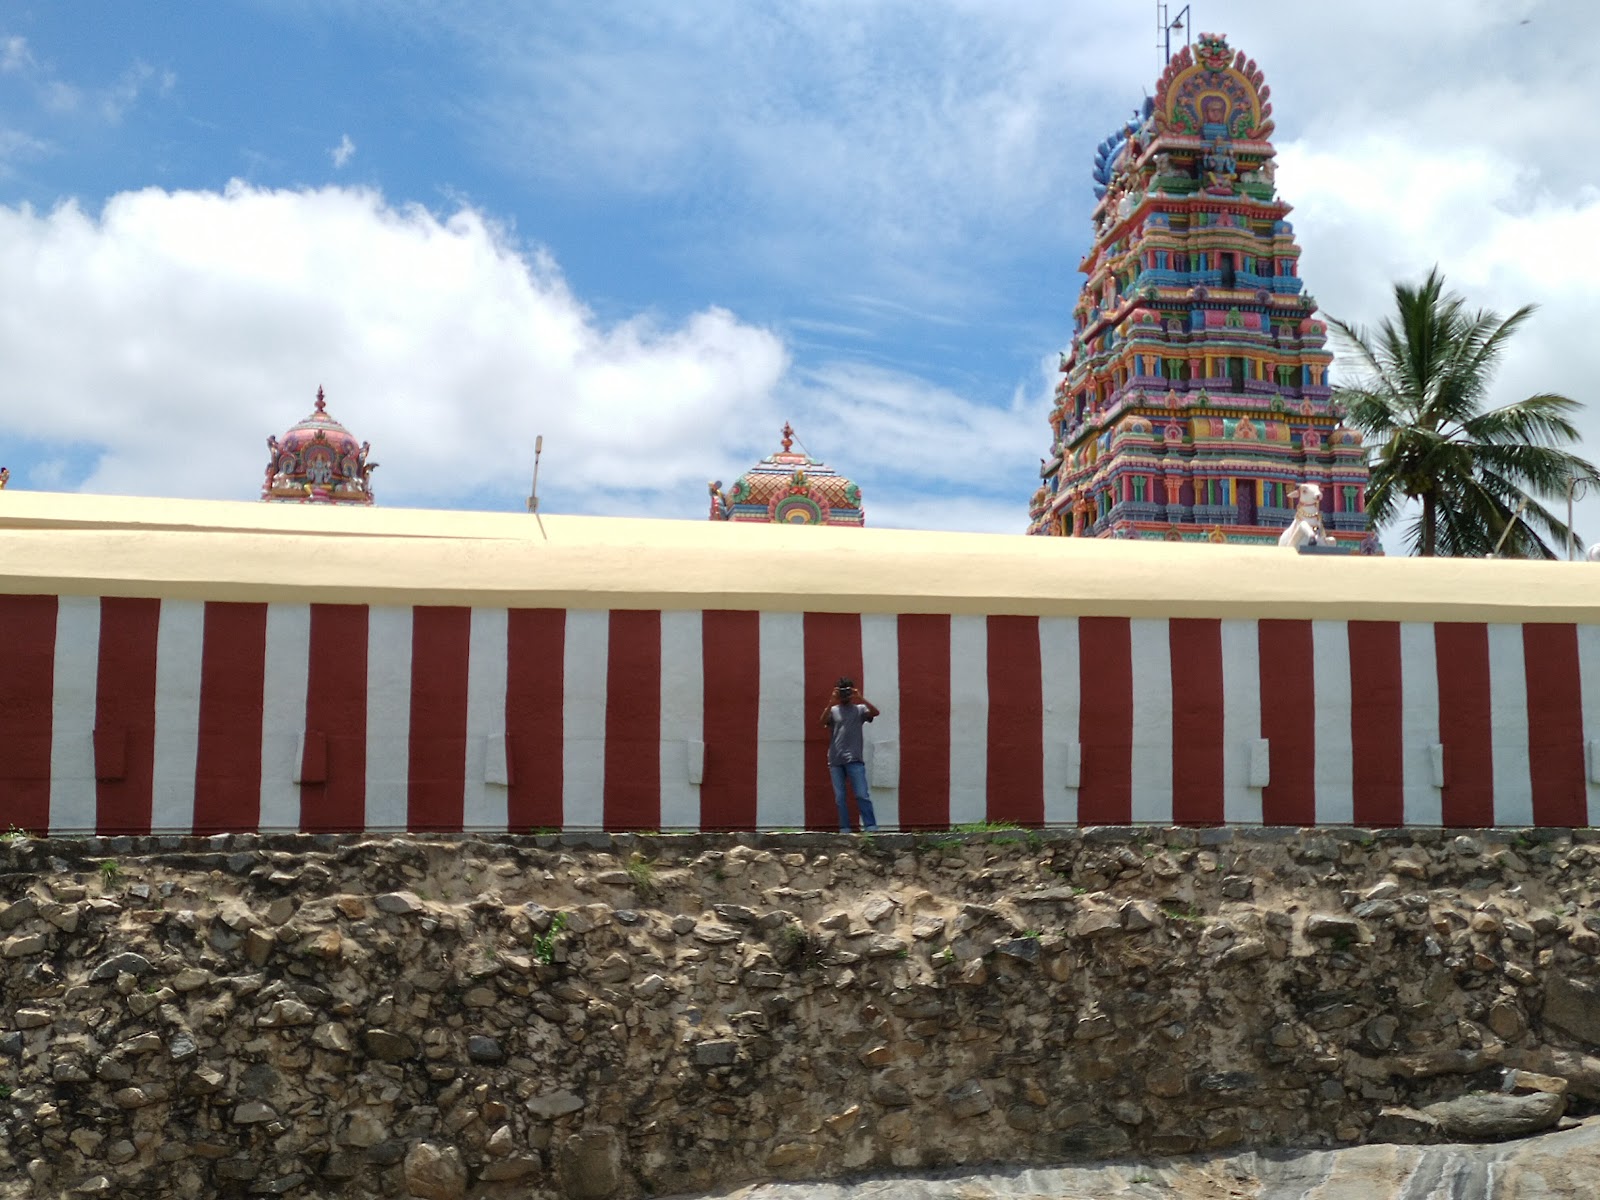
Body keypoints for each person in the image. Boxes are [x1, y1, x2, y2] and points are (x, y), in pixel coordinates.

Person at [819, 677, 880, 833]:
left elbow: (875, 712)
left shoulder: (860, 709)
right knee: (840, 798)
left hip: (855, 759)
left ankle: (871, 826)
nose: (845, 695)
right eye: (842, 692)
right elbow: (822, 722)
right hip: (835, 760)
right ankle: (844, 828)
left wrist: (860, 697)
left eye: (847, 692)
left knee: (861, 794)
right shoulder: (833, 710)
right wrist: (831, 701)